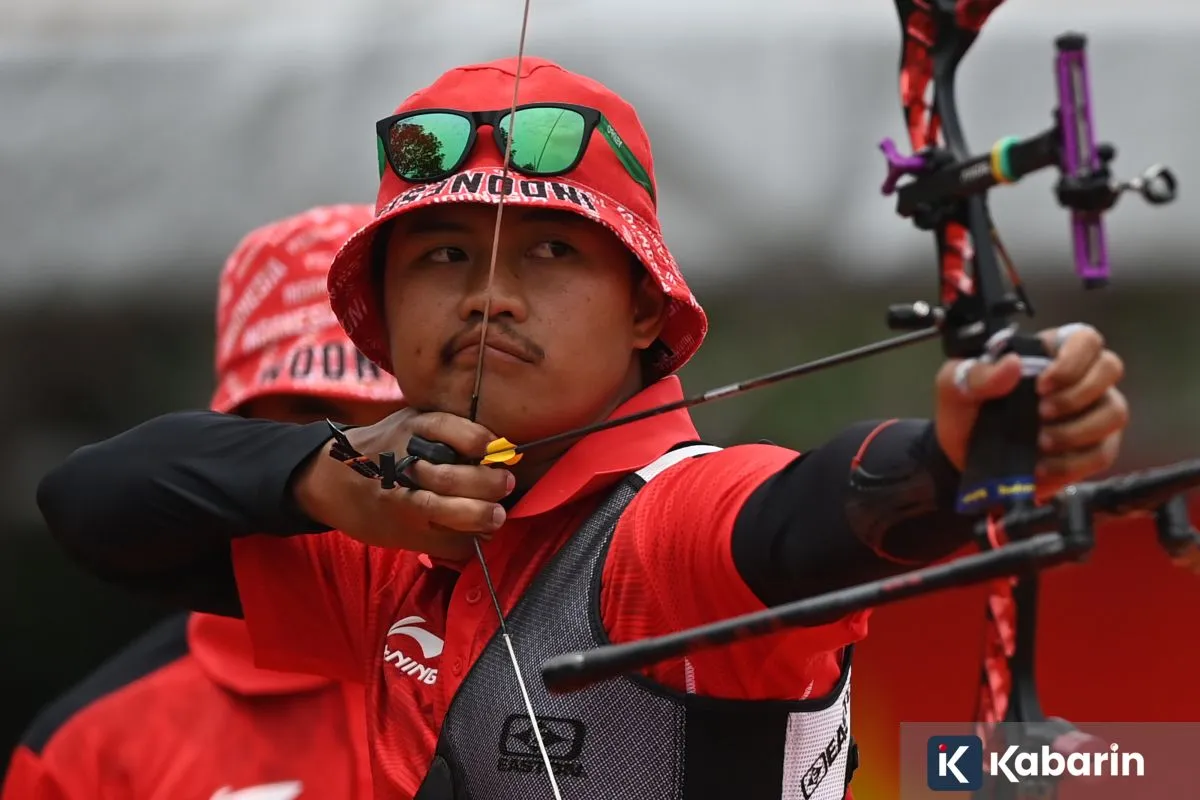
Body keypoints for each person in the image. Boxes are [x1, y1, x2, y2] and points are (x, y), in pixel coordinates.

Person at [35, 58, 1129, 800]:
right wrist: (321, 476)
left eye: (550, 252)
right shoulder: (397, 544)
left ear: (645, 308)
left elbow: (799, 514)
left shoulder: (665, 529)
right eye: (442, 255)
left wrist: (949, 461)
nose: (488, 296)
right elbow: (91, 506)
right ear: (387, 314)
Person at [6, 204, 404, 800]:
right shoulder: (88, 749)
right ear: (232, 433)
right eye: (316, 422)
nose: (372, 464)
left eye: (407, 421)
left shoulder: (532, 656)